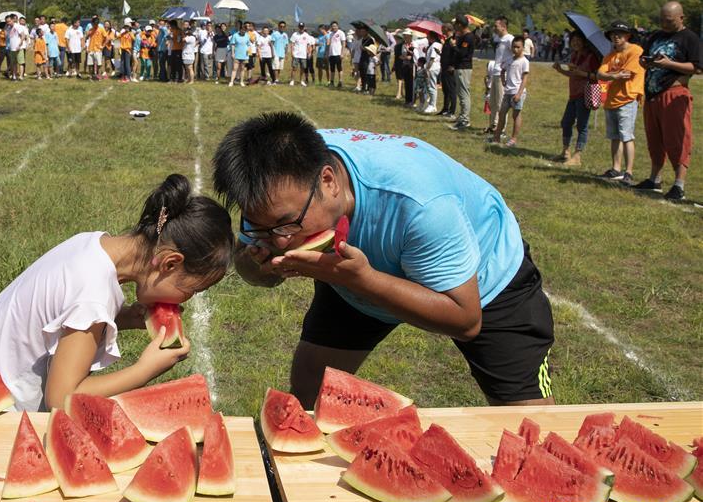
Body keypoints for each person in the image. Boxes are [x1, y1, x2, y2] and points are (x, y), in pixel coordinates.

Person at [212, 112, 555, 409]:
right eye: (261, 227)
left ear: (328, 181)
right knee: (307, 394)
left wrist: (361, 280)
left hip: (483, 277)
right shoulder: (269, 188)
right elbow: (253, 266)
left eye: (288, 224)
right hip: (351, 273)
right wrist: (258, 268)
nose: (281, 240)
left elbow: (466, 320)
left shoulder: (421, 204)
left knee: (529, 423)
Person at [0, 175, 234, 411]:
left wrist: (123, 318)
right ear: (170, 263)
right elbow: (62, 398)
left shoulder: (93, 244)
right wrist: (144, 370)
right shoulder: (93, 295)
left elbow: (60, 313)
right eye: (191, 290)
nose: (188, 300)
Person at [633, 1, 701, 201]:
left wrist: (669, 63)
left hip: (675, 95)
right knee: (655, 139)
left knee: (677, 139)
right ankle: (654, 179)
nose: (664, 23)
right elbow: (644, 57)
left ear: (681, 18)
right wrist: (645, 62)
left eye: (668, 20)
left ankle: (679, 185)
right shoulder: (656, 35)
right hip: (653, 96)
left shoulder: (690, 38)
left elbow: (697, 68)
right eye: (661, 19)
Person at [594, 21, 645, 185]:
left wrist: (611, 74)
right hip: (611, 100)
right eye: (612, 34)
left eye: (619, 34)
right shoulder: (610, 55)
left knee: (627, 136)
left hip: (627, 98)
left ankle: (628, 172)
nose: (615, 37)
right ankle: (616, 169)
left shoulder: (635, 51)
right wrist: (613, 75)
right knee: (614, 137)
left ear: (628, 36)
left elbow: (627, 74)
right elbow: (600, 73)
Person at [552, 31, 600, 166]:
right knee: (566, 122)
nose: (575, 43)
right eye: (573, 40)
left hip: (585, 94)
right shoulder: (574, 55)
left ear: (584, 41)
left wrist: (580, 72)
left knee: (581, 125)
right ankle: (565, 152)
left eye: (578, 40)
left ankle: (577, 155)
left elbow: (598, 76)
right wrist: (560, 70)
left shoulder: (591, 57)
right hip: (573, 94)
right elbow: (573, 74)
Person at [491, 36, 529, 147]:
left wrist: (519, 94)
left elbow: (524, 79)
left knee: (516, 115)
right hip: (507, 92)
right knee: (502, 113)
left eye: (518, 47)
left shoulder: (524, 62)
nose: (515, 49)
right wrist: (503, 81)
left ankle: (513, 139)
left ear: (523, 47)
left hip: (517, 92)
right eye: (513, 47)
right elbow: (502, 70)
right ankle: (496, 137)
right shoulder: (509, 60)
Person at [486, 17, 514, 135]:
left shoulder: (510, 39)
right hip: (495, 73)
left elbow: (516, 54)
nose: (494, 28)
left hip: (503, 74)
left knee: (501, 103)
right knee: (492, 102)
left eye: (496, 26)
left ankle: (501, 129)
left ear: (503, 26)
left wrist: (507, 68)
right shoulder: (499, 39)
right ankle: (493, 126)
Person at [450, 15, 476, 130]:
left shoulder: (468, 37)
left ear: (460, 25)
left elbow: (462, 53)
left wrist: (454, 46)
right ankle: (462, 117)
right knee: (461, 93)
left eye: (456, 24)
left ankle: (465, 120)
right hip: (460, 67)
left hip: (464, 67)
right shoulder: (463, 36)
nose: (454, 26)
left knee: (464, 93)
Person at [422, 31, 442, 114]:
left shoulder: (435, 45)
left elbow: (432, 58)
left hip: (432, 68)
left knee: (431, 87)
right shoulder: (434, 45)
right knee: (430, 86)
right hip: (433, 67)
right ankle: (432, 104)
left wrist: (427, 69)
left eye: (428, 36)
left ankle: (432, 105)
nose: (427, 38)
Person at [393, 29, 414, 103]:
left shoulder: (414, 44)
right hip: (404, 65)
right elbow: (399, 56)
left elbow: (416, 54)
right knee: (407, 83)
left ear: (410, 36)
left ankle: (412, 99)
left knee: (412, 83)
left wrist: (411, 56)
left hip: (412, 65)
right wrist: (406, 57)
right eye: (404, 36)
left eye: (407, 36)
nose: (405, 37)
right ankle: (407, 100)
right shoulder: (401, 45)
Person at [327, 21, 344, 88]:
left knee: (339, 68)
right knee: (332, 69)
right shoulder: (330, 34)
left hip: (338, 54)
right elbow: (329, 44)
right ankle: (332, 82)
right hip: (331, 54)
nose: (334, 27)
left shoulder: (341, 33)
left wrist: (342, 53)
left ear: (338, 26)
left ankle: (340, 82)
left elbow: (343, 43)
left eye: (335, 26)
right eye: (333, 26)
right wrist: (328, 53)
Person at [119, 19, 135, 83]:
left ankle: (128, 77)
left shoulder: (131, 33)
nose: (126, 28)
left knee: (127, 64)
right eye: (125, 27)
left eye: (127, 27)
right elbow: (116, 37)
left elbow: (134, 39)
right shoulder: (122, 33)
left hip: (128, 50)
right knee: (123, 64)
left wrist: (129, 33)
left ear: (130, 27)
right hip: (122, 50)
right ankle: (123, 77)